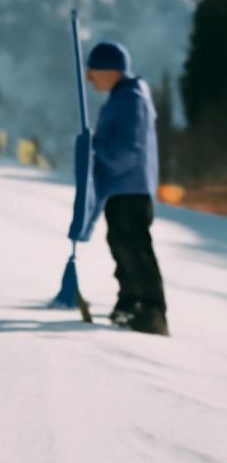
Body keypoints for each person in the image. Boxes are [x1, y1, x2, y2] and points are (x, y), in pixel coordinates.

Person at [85, 42, 167, 336]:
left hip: (131, 187)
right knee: (120, 243)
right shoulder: (122, 97)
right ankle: (130, 300)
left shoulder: (132, 99)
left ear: (110, 71)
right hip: (121, 187)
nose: (89, 77)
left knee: (135, 247)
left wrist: (96, 148)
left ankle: (152, 308)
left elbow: (129, 150)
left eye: (93, 70)